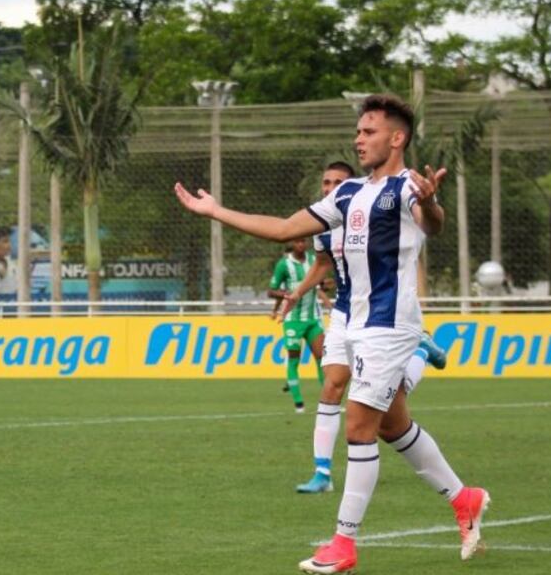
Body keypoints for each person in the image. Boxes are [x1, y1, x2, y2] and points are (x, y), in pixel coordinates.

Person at [176, 94, 489, 573]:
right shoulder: (348, 194)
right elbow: (284, 228)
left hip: (389, 326)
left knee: (360, 426)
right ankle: (463, 498)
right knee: (390, 426)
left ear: (397, 138)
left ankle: (343, 544)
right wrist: (216, 211)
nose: (358, 139)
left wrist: (431, 204)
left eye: (369, 132)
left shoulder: (408, 187)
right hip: (351, 322)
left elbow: (433, 224)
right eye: (358, 131)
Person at [283, 161, 447, 495]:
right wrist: (297, 292)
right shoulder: (324, 224)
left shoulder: (375, 213)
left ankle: (418, 351)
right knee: (332, 384)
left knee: (384, 405)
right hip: (344, 311)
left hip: (383, 314)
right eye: (326, 182)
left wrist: (428, 204)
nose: (330, 189)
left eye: (338, 182)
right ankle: (322, 472)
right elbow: (322, 264)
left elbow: (421, 234)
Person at [268, 238, 327, 413]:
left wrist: (325, 285)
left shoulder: (314, 260)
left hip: (313, 319)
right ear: (292, 244)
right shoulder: (284, 265)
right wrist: (283, 294)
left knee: (322, 358)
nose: (301, 245)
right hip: (293, 319)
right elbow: (271, 291)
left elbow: (320, 282)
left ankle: (329, 402)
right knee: (294, 360)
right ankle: (298, 403)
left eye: (303, 242)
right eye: (297, 242)